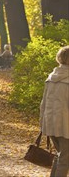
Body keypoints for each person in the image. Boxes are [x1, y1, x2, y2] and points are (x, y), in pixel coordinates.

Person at [40, 45, 69, 177]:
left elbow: (43, 103)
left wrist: (42, 123)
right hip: (65, 125)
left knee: (60, 156)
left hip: (51, 123)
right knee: (64, 159)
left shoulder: (51, 77)